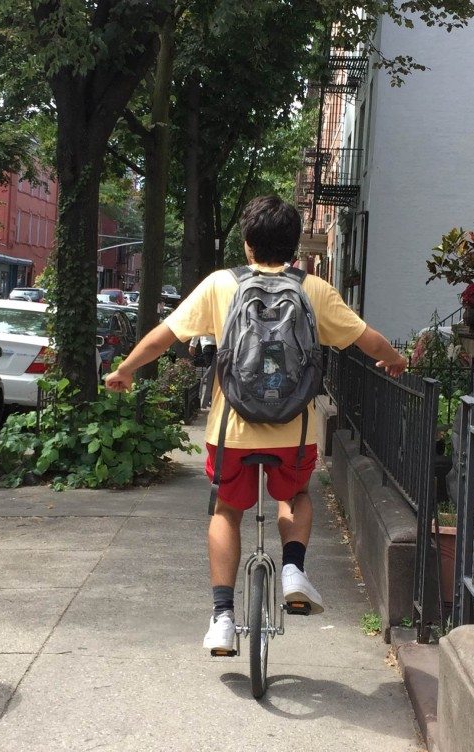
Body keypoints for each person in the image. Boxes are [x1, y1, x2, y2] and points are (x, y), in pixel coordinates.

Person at [104, 195, 408, 653]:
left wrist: (125, 369)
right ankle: (292, 569)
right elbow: (367, 339)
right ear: (293, 248)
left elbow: (165, 334)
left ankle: (223, 617)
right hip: (294, 431)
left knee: (227, 511)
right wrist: (396, 360)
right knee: (296, 494)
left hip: (232, 432)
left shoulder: (220, 285)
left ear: (247, 244)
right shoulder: (315, 290)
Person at [188, 334, 216, 409]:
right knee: (212, 372)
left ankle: (212, 396)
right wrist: (193, 344)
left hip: (216, 344)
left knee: (214, 372)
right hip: (211, 344)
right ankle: (211, 396)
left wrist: (192, 345)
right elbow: (199, 329)